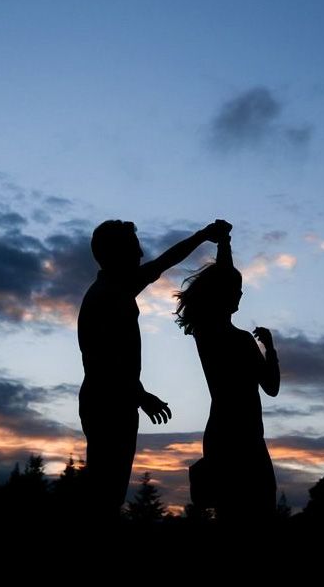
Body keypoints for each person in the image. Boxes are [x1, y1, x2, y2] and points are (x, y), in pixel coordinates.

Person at [77, 218, 232, 521]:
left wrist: (202, 236)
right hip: (106, 403)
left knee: (109, 492)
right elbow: (102, 360)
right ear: (115, 254)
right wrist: (140, 395)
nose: (141, 255)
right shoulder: (105, 296)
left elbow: (164, 262)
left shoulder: (118, 287)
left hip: (114, 401)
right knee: (104, 494)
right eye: (135, 249)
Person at [175, 230, 280, 524]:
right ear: (222, 293)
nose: (241, 295)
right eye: (237, 289)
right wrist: (225, 245)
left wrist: (269, 349)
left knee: (239, 514)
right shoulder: (221, 336)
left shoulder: (211, 335)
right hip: (237, 438)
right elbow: (271, 387)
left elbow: (271, 388)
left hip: (235, 436)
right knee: (249, 514)